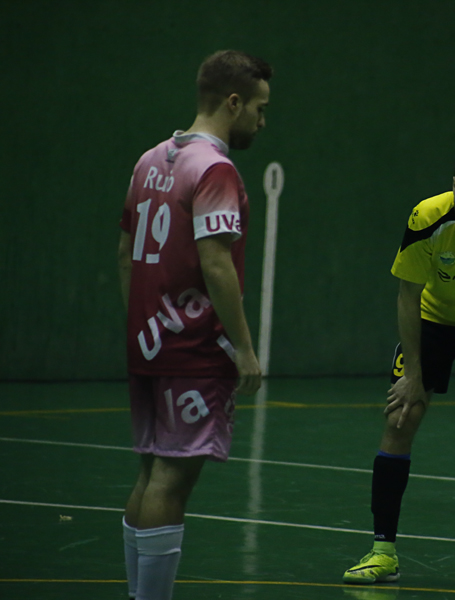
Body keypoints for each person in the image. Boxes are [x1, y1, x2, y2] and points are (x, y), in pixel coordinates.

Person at [116, 50, 272, 600]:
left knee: (149, 473)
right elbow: (216, 262)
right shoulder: (215, 169)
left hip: (148, 344)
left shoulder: (149, 159)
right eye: (258, 107)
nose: (261, 119)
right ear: (233, 102)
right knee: (172, 479)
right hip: (191, 348)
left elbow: (124, 251)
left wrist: (140, 322)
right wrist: (246, 349)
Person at [342, 146, 455, 590]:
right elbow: (408, 296)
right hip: (435, 321)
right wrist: (413, 374)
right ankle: (383, 551)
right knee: (400, 418)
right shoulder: (427, 217)